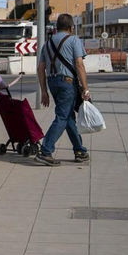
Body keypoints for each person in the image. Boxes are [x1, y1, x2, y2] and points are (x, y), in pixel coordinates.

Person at [37, 13, 90, 166]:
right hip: (67, 82)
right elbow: (79, 64)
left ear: (56, 27)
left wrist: (44, 91)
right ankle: (45, 151)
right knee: (62, 116)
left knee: (68, 117)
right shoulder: (74, 40)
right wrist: (85, 88)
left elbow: (41, 68)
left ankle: (79, 150)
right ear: (71, 27)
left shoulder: (46, 44)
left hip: (52, 82)